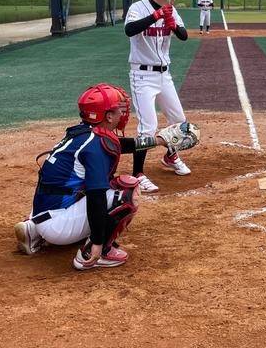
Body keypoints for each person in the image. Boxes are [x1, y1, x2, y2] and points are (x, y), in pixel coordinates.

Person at [12, 84, 199, 269]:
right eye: (118, 109)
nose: (123, 113)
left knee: (87, 185)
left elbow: (119, 144)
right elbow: (96, 197)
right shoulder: (95, 147)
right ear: (108, 116)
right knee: (125, 190)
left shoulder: (82, 134)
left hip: (42, 213)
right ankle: (96, 253)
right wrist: (97, 241)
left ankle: (33, 231)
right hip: (58, 226)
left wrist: (158, 141)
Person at [123, 0, 192, 189]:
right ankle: (138, 174)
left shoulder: (171, 9)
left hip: (164, 74)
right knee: (148, 127)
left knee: (178, 121)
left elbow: (184, 36)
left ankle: (170, 156)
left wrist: (172, 22)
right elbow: (130, 30)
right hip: (142, 76)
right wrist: (156, 16)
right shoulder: (138, 7)